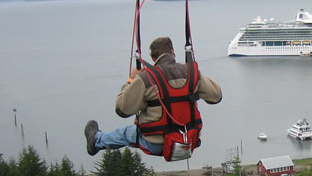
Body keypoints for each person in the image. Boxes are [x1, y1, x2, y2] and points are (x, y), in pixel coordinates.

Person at [85, 36, 222, 157]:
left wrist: (131, 80)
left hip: (156, 143)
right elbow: (216, 96)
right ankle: (96, 140)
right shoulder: (191, 73)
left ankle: (96, 141)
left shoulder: (145, 79)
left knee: (125, 133)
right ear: (172, 52)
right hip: (189, 140)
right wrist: (195, 80)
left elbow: (122, 109)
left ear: (153, 58)